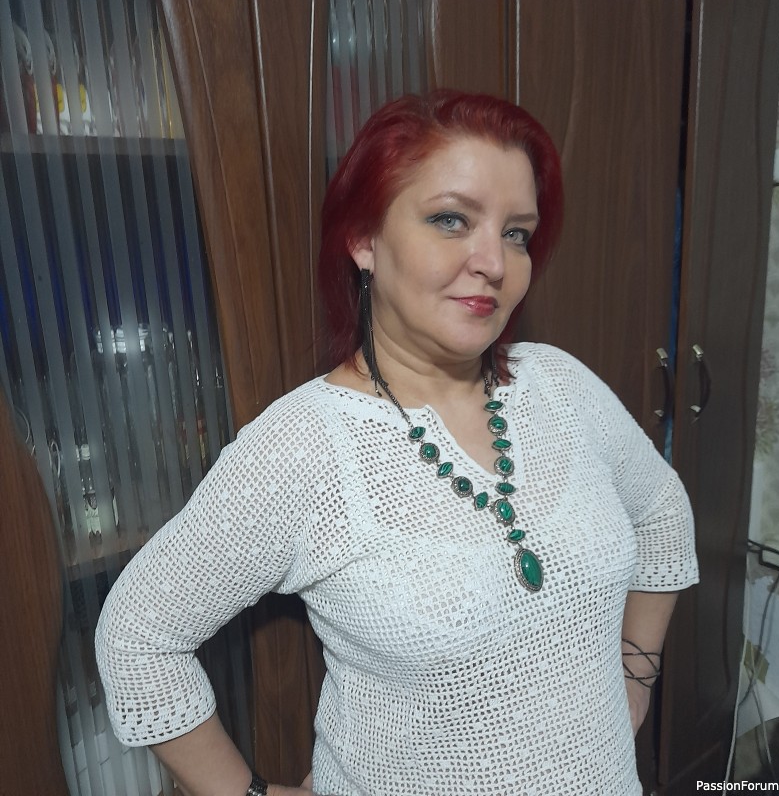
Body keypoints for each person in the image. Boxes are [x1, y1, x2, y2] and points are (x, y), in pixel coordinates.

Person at [96, 90, 699, 796]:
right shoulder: (303, 449)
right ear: (364, 241)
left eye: (517, 233)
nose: (494, 262)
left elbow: (661, 509)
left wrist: (634, 676)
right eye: (451, 220)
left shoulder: (560, 386)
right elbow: (138, 640)